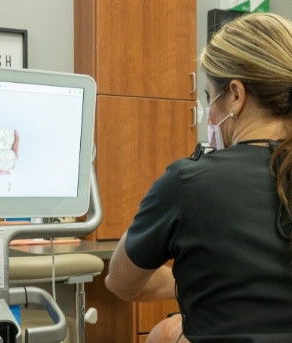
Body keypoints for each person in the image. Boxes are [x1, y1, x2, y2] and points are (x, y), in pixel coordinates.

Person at [105, 12, 292, 343]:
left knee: (164, 334)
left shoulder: (188, 182)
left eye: (209, 98)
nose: (209, 115)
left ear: (235, 95)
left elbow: (120, 281)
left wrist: (206, 286)